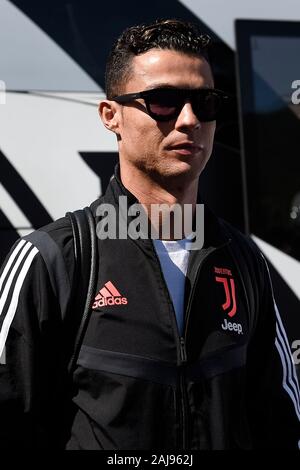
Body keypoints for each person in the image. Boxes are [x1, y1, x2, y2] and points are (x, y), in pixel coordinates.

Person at [0, 18, 299, 450]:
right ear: (110, 116)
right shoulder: (54, 258)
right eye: (163, 101)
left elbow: (279, 425)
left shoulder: (242, 260)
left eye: (206, 102)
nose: (189, 120)